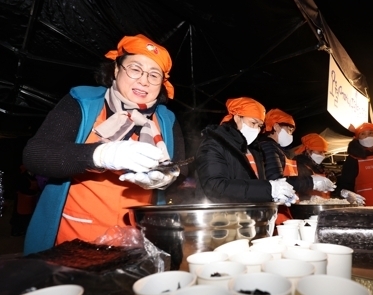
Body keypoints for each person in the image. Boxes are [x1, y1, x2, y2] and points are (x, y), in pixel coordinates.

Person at [22, 34, 186, 255]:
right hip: (74, 243)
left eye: (154, 74)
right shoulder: (82, 102)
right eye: (135, 69)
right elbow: (35, 155)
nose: (144, 80)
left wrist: (167, 177)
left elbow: (180, 169)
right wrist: (99, 155)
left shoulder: (167, 119)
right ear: (117, 70)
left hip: (138, 244)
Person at [195, 98, 296, 205]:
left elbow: (254, 185)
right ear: (237, 117)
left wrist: (274, 195)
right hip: (220, 216)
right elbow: (215, 187)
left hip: (248, 216)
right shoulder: (214, 144)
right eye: (253, 123)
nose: (256, 130)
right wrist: (268, 190)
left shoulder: (254, 149)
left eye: (259, 126)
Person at [257, 109, 335, 223]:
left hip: (284, 207)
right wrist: (311, 182)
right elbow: (277, 182)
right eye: (289, 130)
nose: (290, 134)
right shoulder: (268, 147)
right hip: (274, 211)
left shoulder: (280, 151)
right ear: (277, 126)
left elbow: (290, 180)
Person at [294, 133, 337, 200]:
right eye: (320, 152)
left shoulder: (318, 167)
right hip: (307, 207)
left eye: (324, 152)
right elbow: (295, 188)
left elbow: (329, 188)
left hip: (323, 205)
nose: (323, 155)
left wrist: (341, 192)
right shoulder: (299, 165)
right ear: (308, 150)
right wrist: (309, 198)